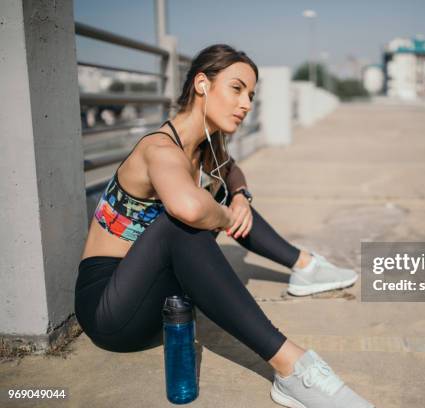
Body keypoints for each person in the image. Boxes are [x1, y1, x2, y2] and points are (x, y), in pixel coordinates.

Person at [74, 44, 374, 408]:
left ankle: (304, 266)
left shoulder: (208, 148)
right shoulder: (158, 149)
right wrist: (229, 215)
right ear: (202, 84)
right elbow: (186, 206)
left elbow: (232, 171)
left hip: (164, 311)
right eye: (236, 89)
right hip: (111, 312)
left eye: (250, 94)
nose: (246, 103)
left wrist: (240, 195)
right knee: (182, 221)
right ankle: (292, 367)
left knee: (214, 202)